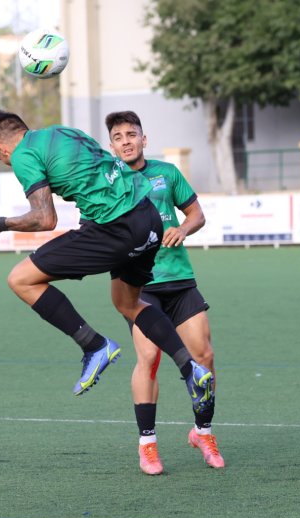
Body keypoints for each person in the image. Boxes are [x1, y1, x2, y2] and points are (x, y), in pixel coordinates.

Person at [0, 111, 214, 414]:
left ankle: (94, 345)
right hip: (147, 218)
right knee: (128, 303)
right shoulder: (65, 133)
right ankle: (191, 369)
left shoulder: (22, 154)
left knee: (20, 279)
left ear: (3, 150)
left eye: (3, 159)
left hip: (115, 227)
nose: (8, 163)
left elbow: (45, 218)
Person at [105, 111, 222, 475]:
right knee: (150, 357)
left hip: (180, 280)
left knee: (203, 356)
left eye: (131, 134)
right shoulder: (107, 182)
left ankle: (202, 432)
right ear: (111, 145)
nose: (126, 140)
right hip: (139, 287)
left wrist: (184, 228)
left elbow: (197, 214)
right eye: (118, 136)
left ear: (144, 139)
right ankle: (148, 445)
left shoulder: (167, 173)